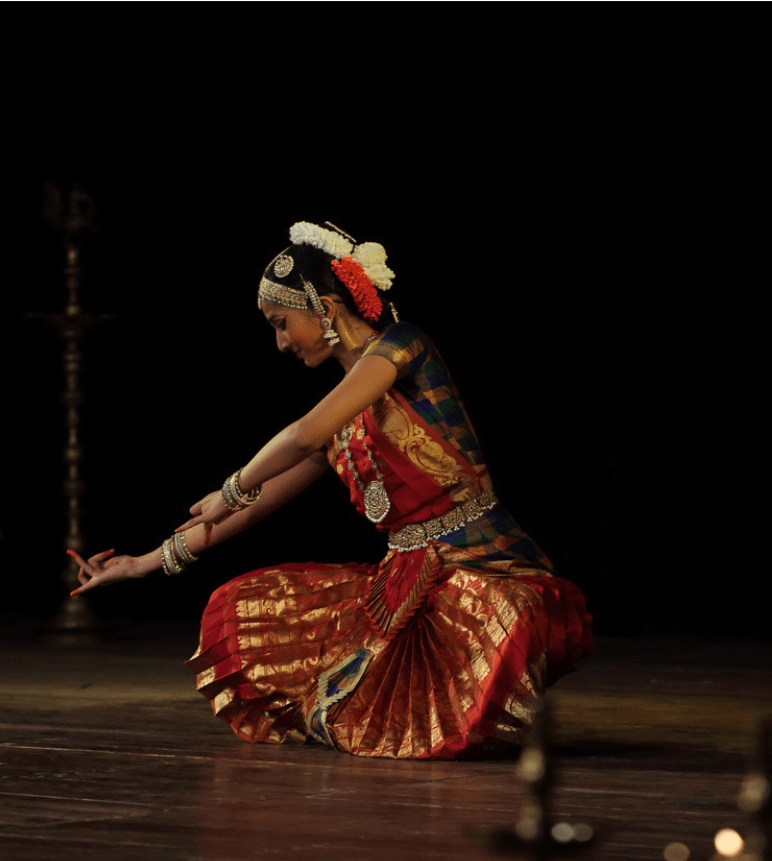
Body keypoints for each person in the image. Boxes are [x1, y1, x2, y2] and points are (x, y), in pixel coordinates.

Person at [69, 221, 593, 759]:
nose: (280, 343)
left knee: (511, 615)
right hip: (403, 586)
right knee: (238, 610)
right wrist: (141, 564)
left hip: (485, 564)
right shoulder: (338, 425)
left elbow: (299, 437)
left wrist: (232, 487)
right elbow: (252, 509)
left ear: (323, 307)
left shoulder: (404, 344)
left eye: (281, 323)